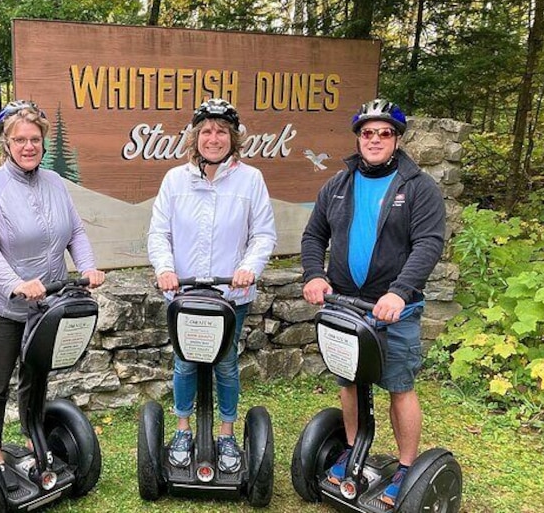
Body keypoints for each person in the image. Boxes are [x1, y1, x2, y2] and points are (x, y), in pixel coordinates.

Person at [301, 98, 446, 507]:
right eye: (368, 133)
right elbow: (314, 236)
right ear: (359, 138)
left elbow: (429, 243)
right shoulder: (338, 184)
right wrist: (314, 274)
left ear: (397, 139)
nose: (375, 139)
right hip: (346, 305)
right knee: (349, 380)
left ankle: (404, 468)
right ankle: (351, 448)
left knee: (399, 386)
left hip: (394, 309)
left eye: (384, 133)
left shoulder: (417, 187)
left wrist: (399, 291)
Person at [0, 100, 106, 487]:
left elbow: (75, 232)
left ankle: (34, 440)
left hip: (47, 303)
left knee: (37, 376)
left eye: (35, 139)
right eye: (20, 139)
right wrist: (15, 282)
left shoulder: (54, 183)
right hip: (1, 304)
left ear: (43, 143)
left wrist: (89, 266)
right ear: (6, 143)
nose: (28, 146)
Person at [147, 98, 277, 474]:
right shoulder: (175, 179)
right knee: (185, 364)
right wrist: (165, 269)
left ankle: (226, 433)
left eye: (221, 131)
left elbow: (264, 234)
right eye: (206, 131)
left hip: (230, 295)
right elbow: (159, 233)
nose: (213, 138)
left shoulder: (250, 179)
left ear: (233, 138)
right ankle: (183, 429)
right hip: (184, 295)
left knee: (226, 364)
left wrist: (249, 267)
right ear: (195, 137)